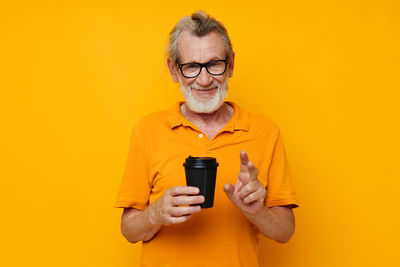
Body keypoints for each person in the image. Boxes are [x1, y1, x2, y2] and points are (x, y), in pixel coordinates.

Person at [115, 10, 299, 267]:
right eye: (191, 66)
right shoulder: (148, 130)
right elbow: (129, 230)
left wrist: (258, 212)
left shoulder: (265, 132)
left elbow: (285, 232)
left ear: (231, 64)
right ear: (173, 69)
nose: (204, 80)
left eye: (214, 64)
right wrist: (156, 213)